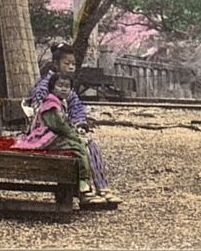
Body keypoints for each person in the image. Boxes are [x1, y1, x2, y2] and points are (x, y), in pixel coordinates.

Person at [28, 43, 123, 204]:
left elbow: (76, 107)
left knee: (89, 143)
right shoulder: (45, 86)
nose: (71, 67)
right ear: (56, 64)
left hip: (64, 130)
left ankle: (101, 187)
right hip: (46, 133)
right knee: (82, 146)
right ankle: (84, 191)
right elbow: (41, 115)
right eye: (67, 64)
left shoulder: (65, 85)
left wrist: (79, 124)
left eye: (73, 64)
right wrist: (69, 131)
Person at [14, 73, 105, 204]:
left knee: (82, 145)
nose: (63, 89)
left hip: (55, 134)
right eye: (60, 85)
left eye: (67, 86)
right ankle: (83, 186)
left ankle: (84, 185)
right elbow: (58, 125)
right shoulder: (50, 104)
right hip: (47, 136)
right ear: (52, 87)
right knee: (78, 148)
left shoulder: (59, 102)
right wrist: (74, 135)